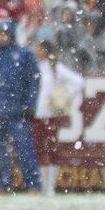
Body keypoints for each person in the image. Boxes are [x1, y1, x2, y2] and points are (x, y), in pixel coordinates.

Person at [0, 20, 42, 193]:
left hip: (18, 112)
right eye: (0, 34)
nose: (3, 37)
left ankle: (33, 185)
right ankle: (2, 183)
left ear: (12, 35)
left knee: (25, 150)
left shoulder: (24, 55)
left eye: (6, 34)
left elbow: (34, 81)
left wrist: (30, 104)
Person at [33, 41, 84, 195]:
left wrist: (62, 98)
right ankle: (42, 184)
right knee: (38, 149)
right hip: (35, 114)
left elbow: (79, 82)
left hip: (50, 115)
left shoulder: (55, 68)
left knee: (52, 149)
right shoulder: (33, 67)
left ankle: (51, 186)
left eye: (40, 49)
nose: (38, 52)